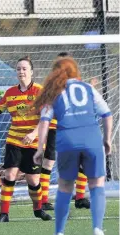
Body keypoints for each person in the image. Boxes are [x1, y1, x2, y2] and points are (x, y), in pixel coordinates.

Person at [33, 57, 112, 235]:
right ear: (75, 71)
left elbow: (44, 122)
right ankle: (97, 230)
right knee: (96, 185)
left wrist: (39, 149)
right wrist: (107, 139)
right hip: (91, 138)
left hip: (67, 140)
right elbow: (107, 114)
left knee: (65, 186)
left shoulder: (54, 93)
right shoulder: (88, 88)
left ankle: (59, 233)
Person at [0, 56, 52, 222]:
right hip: (14, 140)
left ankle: (38, 209)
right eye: (18, 69)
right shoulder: (10, 92)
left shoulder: (40, 91)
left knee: (33, 180)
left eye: (24, 68)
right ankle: (3, 214)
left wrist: (34, 134)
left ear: (31, 72)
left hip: (34, 142)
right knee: (10, 174)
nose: (21, 71)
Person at [40, 52, 90, 211]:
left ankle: (80, 197)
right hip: (56, 128)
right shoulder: (52, 85)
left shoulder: (79, 83)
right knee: (49, 162)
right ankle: (44, 200)